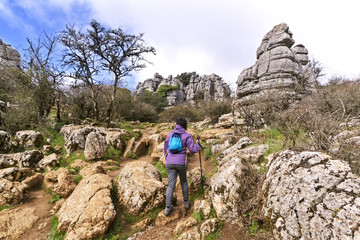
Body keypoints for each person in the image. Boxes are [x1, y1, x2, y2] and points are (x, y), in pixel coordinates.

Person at [163, 117, 201, 216]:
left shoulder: (170, 134)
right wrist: (199, 145)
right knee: (184, 182)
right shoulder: (187, 136)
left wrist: (167, 158)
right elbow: (192, 149)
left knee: (171, 185)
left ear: (176, 125)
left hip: (169, 163)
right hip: (181, 163)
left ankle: (168, 208)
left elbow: (165, 147)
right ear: (185, 125)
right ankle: (186, 203)